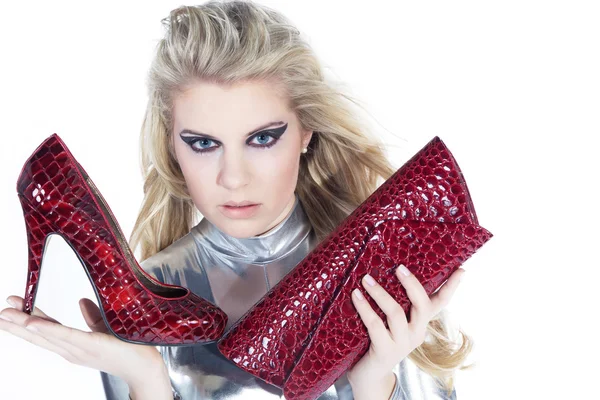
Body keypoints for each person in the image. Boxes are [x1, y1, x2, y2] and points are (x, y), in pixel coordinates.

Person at [0, 1, 470, 399]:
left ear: (306, 131)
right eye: (203, 143)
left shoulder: (384, 265)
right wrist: (143, 376)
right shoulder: (144, 301)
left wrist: (375, 382)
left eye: (262, 138)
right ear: (172, 145)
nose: (233, 178)